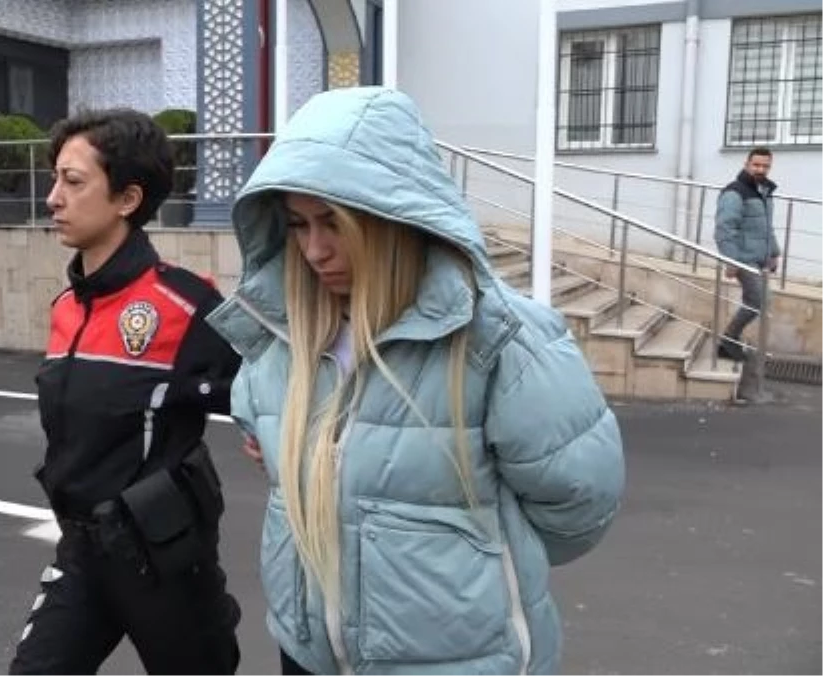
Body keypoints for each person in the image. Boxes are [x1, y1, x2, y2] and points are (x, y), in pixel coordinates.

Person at [205, 87, 627, 676]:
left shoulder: (501, 338)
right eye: (298, 225)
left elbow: (579, 503)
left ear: (394, 219)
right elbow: (275, 452)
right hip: (307, 651)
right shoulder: (281, 335)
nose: (315, 250)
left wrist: (466, 559)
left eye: (335, 223)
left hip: (457, 661)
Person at [8, 108, 241, 676]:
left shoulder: (185, 306)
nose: (53, 199)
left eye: (73, 181)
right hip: (82, 552)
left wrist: (270, 431)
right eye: (55, 179)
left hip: (161, 560)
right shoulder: (67, 307)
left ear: (128, 199)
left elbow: (272, 389)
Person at [713, 147, 780, 361]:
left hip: (759, 258)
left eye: (765, 166)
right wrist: (731, 261)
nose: (761, 169)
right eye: (756, 165)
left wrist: (773, 253)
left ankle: (729, 341)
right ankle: (728, 341)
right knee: (760, 300)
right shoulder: (735, 192)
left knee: (756, 301)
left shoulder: (764, 192)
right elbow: (724, 229)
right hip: (743, 259)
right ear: (747, 164)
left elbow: (767, 227)